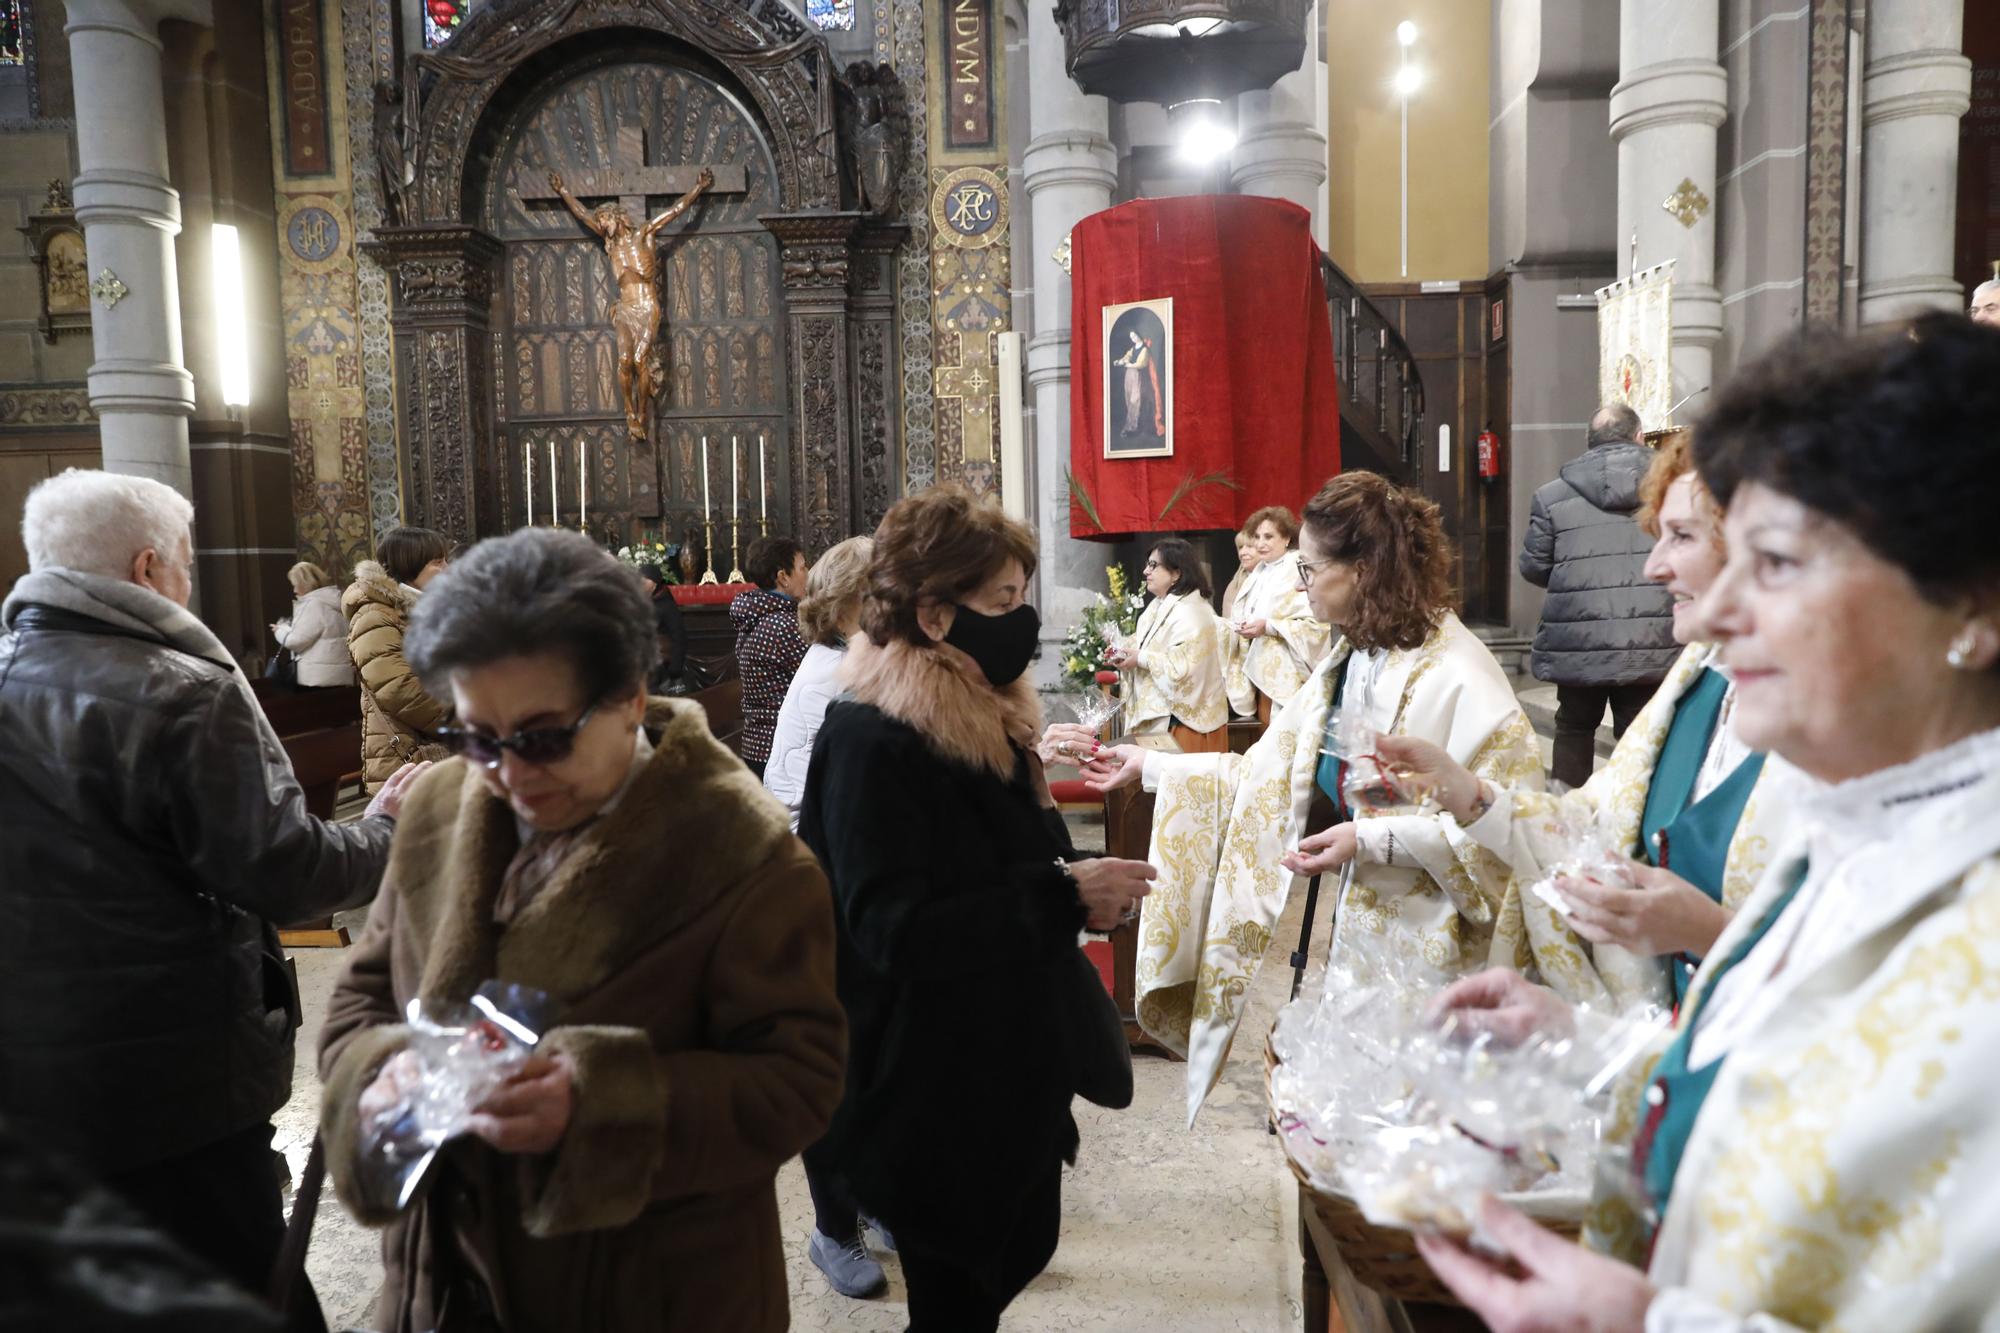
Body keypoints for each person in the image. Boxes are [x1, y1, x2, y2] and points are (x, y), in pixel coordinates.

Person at [1421, 315, 2000, 1332]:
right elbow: (1799, 1104)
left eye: (1773, 562)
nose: (1710, 611)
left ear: (1971, 602)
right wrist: (1585, 1047)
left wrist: (1648, 1324)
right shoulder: (1851, 827)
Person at [318, 528, 845, 1333]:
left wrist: (596, 1103)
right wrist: (383, 1074)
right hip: (443, 1283)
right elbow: (360, 994)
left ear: (632, 694)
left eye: (541, 736)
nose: (506, 773)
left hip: (650, 1290)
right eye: (474, 735)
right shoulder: (437, 809)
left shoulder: (746, 856)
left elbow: (800, 1081)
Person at [0, 469, 420, 1326]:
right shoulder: (182, 688)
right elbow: (284, 870)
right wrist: (387, 829)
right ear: (150, 567)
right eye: (187, 561)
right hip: (168, 1076)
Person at [1085, 471, 1551, 1124]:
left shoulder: (1459, 676)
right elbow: (1272, 772)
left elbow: (1515, 840)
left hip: (1438, 951)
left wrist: (1373, 837)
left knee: (1415, 1131)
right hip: (1366, 930)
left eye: (1308, 571)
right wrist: (1155, 765)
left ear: (1365, 569)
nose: (1300, 592)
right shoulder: (1357, 656)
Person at [799, 485, 1154, 1332]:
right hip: (926, 1082)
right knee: (958, 1295)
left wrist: (1060, 859)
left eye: (1022, 599)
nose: (1022, 621)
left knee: (1020, 1243)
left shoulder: (981, 719)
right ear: (933, 615)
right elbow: (893, 929)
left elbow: (1002, 867)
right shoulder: (870, 739)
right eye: (1002, 601)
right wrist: (1062, 893)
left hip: (1000, 1060)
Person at [1380, 433, 1791, 1007]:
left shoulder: (1847, 730)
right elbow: (1595, 819)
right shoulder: (1701, 677)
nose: (1653, 566)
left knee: (1574, 729)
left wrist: (1706, 933)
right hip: (1661, 1043)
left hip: (1760, 1064)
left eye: (1681, 536)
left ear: (1770, 549)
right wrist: (1464, 790)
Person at [759, 536, 894, 1297]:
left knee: (875, 1056)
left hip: (860, 880)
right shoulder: (830, 680)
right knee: (838, 1064)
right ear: (850, 607)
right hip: (821, 884)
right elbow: (807, 799)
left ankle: (872, 1196)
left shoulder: (860, 667)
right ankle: (831, 1225)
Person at [1521, 404, 1680, 788]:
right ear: (1639, 437)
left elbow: (1533, 567)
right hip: (1651, 638)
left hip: (1579, 638)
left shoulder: (1551, 496)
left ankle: (1565, 826)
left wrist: (1577, 580)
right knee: (1640, 736)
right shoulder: (1671, 492)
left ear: (1589, 443)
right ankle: (1634, 826)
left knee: (1574, 727)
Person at [765, 535, 872, 834]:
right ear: (839, 613)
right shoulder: (835, 673)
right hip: (805, 836)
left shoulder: (837, 654)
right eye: (871, 599)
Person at [346, 525, 453, 792]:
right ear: (410, 565)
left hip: (442, 750)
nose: (448, 569)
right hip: (409, 755)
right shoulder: (375, 615)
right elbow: (398, 689)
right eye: (437, 563)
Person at [1105, 537, 1227, 749]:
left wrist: (1139, 658)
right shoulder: (1157, 607)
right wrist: (1123, 653)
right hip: (1161, 718)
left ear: (1176, 573)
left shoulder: (1192, 612)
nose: (1145, 571)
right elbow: (1146, 646)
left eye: (1153, 565)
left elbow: (1183, 668)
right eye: (1147, 564)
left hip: (1184, 725)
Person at [1225, 504, 1332, 722]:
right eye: (1257, 536)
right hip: (1255, 668)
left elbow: (1316, 624)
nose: (1260, 543)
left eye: (1268, 536)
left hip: (1285, 672)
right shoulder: (1258, 572)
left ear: (1285, 539)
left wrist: (1269, 626)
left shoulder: (1297, 567)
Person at [731, 534, 811, 780]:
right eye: (802, 567)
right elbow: (818, 677)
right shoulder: (783, 625)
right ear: (783, 577)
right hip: (778, 746)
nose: (808, 573)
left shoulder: (757, 615)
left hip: (758, 743)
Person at [273, 560, 354, 688]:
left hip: (317, 678)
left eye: (296, 585)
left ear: (305, 584)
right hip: (341, 676)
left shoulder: (314, 605)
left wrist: (279, 630)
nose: (294, 590)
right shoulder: (336, 601)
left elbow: (296, 641)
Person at [636, 561, 688, 693]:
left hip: (660, 666)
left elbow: (679, 636)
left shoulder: (666, 605)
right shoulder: (640, 601)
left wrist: (675, 668)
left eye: (645, 579)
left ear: (654, 583)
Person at [1219, 528, 1257, 621]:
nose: (1242, 552)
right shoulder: (1234, 586)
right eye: (1240, 547)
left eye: (1249, 546)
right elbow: (1228, 624)